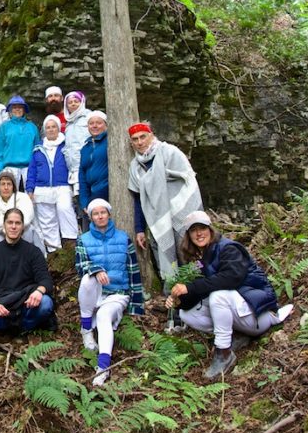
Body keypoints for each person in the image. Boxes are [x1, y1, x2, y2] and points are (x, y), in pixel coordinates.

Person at [165, 211, 293, 379]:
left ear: (210, 229)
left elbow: (230, 279)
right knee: (187, 314)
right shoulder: (200, 258)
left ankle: (224, 352)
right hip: (241, 314)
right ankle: (237, 336)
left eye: (202, 228)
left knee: (218, 297)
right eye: (193, 230)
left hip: (259, 314)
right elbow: (198, 294)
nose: (198, 233)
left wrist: (189, 287)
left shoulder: (229, 248)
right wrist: (179, 300)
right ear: (188, 235)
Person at [0, 208, 55, 382]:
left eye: (17, 223)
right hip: (4, 309)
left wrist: (38, 291)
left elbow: (46, 280)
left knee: (45, 303)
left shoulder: (33, 252)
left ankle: (24, 329)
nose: (13, 226)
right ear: (4, 226)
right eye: (10, 223)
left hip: (28, 308)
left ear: (22, 227)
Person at [75, 199, 144, 386]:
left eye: (103, 212)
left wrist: (137, 305)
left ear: (109, 214)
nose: (100, 216)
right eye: (95, 214)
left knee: (105, 315)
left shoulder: (123, 238)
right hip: (95, 293)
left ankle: (103, 367)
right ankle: (86, 328)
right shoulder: (84, 239)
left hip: (117, 293)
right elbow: (80, 266)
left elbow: (133, 270)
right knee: (88, 277)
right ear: (91, 218)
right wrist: (96, 269)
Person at [127, 122, 202, 279]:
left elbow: (188, 182)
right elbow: (139, 199)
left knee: (188, 252)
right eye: (135, 139)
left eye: (143, 137)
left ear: (151, 135)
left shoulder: (169, 152)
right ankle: (174, 292)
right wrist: (139, 229)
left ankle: (198, 288)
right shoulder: (135, 167)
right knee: (166, 256)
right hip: (158, 218)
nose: (140, 142)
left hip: (182, 212)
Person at [26, 116, 79, 252]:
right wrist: (30, 188)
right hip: (42, 188)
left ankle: (71, 243)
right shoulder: (38, 148)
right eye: (48, 127)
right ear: (44, 130)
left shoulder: (66, 145)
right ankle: (54, 250)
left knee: (64, 208)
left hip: (62, 185)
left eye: (53, 126)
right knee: (47, 220)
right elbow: (32, 170)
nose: (51, 129)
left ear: (58, 128)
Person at [0, 171, 44, 255]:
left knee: (28, 230)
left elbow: (25, 221)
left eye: (9, 184)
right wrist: (13, 219)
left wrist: (2, 221)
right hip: (2, 236)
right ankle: (0, 264)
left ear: (13, 186)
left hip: (21, 234)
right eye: (3, 184)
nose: (6, 187)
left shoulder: (23, 198)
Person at [0, 95, 39, 187]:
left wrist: (37, 169)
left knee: (30, 199)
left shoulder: (32, 127)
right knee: (10, 200)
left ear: (24, 109)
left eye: (20, 107)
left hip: (29, 169)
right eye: (14, 107)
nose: (17, 109)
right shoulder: (4, 127)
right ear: (10, 110)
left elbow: (37, 150)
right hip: (9, 168)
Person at [78, 111, 109, 212]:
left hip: (105, 190)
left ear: (105, 125)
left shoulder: (110, 142)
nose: (94, 126)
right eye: (91, 123)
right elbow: (82, 174)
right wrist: (84, 200)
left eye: (99, 123)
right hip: (92, 193)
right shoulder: (85, 148)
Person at [62, 91, 91, 190]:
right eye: (70, 102)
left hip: (86, 165)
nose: (73, 104)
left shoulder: (89, 117)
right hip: (73, 168)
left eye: (76, 101)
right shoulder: (68, 123)